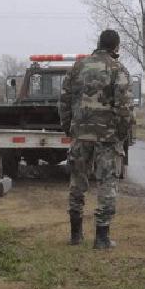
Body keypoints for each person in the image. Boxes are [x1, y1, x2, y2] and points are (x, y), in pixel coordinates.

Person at [58, 29, 133, 249]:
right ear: (116, 47)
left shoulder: (78, 67)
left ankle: (75, 234)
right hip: (107, 138)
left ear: (99, 43)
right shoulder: (117, 69)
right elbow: (125, 107)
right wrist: (121, 134)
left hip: (81, 134)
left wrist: (69, 128)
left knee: (77, 182)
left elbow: (64, 100)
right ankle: (102, 237)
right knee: (106, 183)